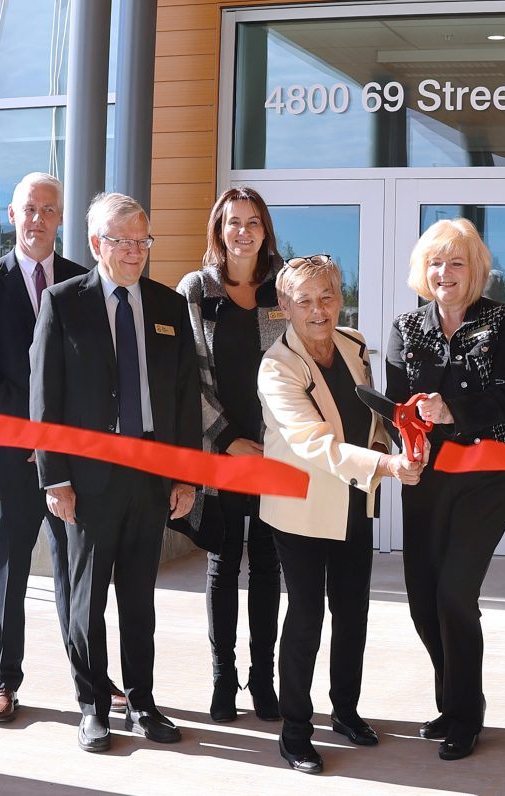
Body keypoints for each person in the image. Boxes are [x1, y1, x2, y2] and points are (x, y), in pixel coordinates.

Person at [30, 192, 202, 753]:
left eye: (143, 240)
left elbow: (182, 402)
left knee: (139, 598)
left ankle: (144, 703)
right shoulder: (62, 302)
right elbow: (44, 400)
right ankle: (93, 706)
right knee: (87, 598)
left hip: (151, 474)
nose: (135, 252)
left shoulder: (169, 307)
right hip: (87, 479)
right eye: (123, 241)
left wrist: (185, 475)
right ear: (97, 244)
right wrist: (55, 479)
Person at [0, 173, 119, 723]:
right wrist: (35, 429)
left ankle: (93, 680)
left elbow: (94, 373)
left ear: (60, 220)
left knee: (78, 573)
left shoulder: (81, 281)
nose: (37, 219)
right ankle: (4, 681)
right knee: (9, 571)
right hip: (8, 458)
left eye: (48, 210)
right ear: (11, 215)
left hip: (66, 462)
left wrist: (56, 437)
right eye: (29, 208)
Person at [258, 254, 425, 775]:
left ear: (341, 297)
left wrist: (402, 437)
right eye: (303, 300)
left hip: (356, 501)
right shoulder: (276, 366)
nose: (318, 309)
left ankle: (346, 711)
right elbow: (314, 443)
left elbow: (373, 417)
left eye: (327, 296)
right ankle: (295, 732)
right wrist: (388, 466)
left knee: (352, 613)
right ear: (284, 306)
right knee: (306, 619)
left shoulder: (352, 345)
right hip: (302, 509)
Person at [385, 219, 505, 761]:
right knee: (423, 598)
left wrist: (450, 411)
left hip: (487, 472)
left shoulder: (502, 319)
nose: (444, 272)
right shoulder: (405, 325)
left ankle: (465, 714)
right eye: (436, 262)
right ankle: (452, 698)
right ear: (424, 269)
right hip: (426, 476)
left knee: (454, 594)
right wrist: (403, 450)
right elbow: (397, 406)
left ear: (475, 270)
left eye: (456, 262)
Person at [176, 187, 288, 723]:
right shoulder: (196, 290)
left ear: (266, 231)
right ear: (218, 230)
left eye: (253, 222)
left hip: (274, 453)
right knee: (222, 564)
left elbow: (303, 369)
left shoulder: (284, 288)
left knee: (267, 566)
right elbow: (185, 378)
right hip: (220, 453)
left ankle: (262, 682)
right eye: (232, 222)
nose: (243, 231)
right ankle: (223, 679)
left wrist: (277, 441)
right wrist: (225, 439)